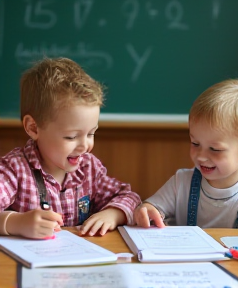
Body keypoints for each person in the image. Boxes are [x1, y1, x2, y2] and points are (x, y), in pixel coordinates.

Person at [0, 57, 141, 239]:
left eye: (91, 133)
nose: (84, 146)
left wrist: (113, 213)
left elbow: (129, 196)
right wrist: (15, 223)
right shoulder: (15, 170)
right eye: (71, 136)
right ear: (33, 128)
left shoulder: (88, 167)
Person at [134, 79, 238, 229]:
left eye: (215, 149)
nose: (201, 156)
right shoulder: (180, 184)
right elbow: (150, 208)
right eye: (195, 144)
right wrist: (147, 211)